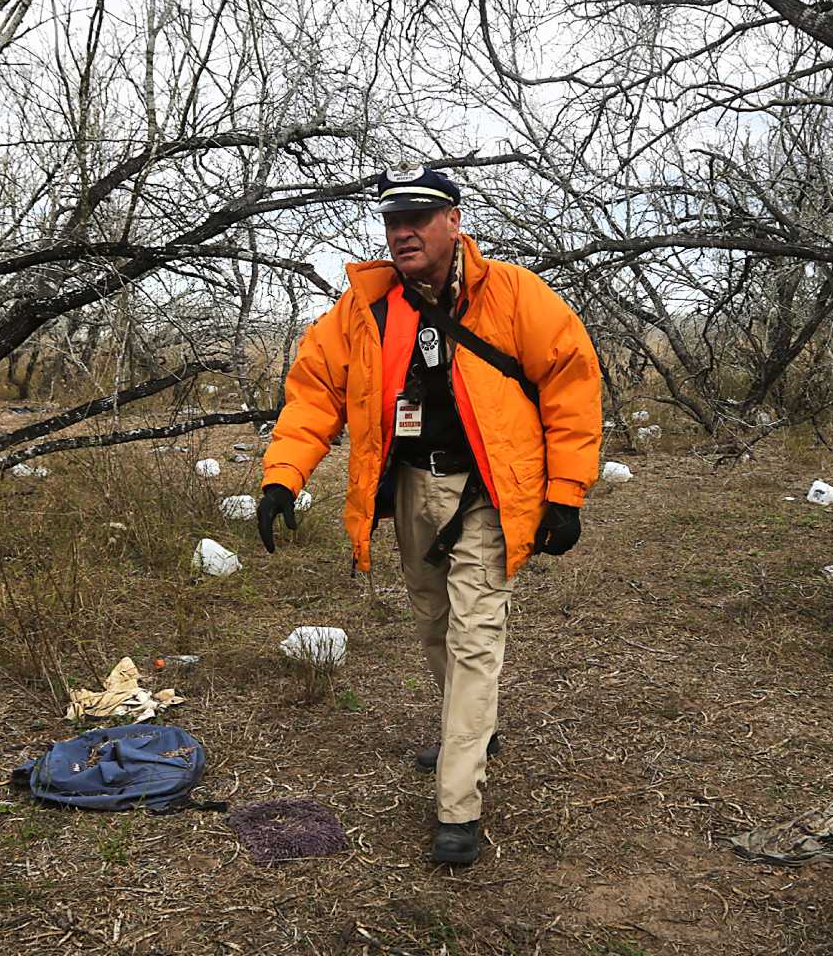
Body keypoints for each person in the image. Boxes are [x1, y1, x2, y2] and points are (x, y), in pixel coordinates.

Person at [255, 167, 602, 865]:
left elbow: (571, 383)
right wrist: (282, 477)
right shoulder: (367, 308)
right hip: (412, 490)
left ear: (454, 221)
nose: (402, 231)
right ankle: (475, 728)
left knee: (476, 638)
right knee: (435, 624)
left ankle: (458, 805)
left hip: (490, 494)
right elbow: (315, 391)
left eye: (417, 217)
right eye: (392, 221)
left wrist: (565, 495)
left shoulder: (514, 295)